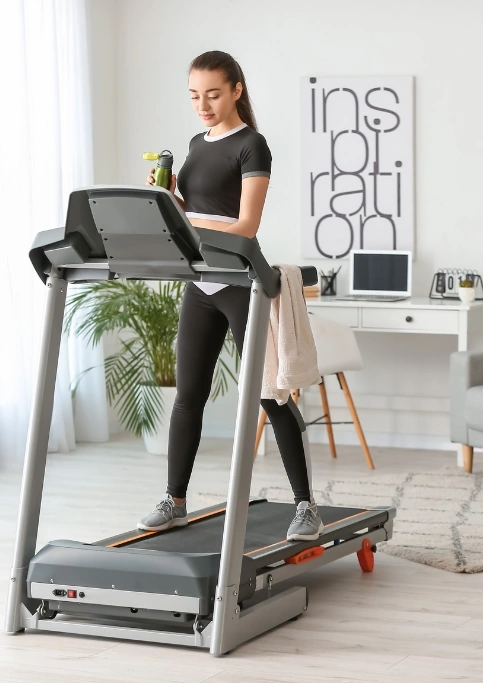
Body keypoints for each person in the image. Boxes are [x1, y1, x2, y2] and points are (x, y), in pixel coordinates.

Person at [137, 50, 321, 542]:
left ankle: (306, 505)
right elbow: (194, 213)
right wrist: (168, 201)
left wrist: (185, 220)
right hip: (201, 284)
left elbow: (244, 226)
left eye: (213, 94)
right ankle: (175, 500)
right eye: (195, 95)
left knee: (271, 396)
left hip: (241, 282)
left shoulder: (252, 145)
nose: (203, 104)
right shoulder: (197, 143)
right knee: (188, 396)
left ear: (237, 89)